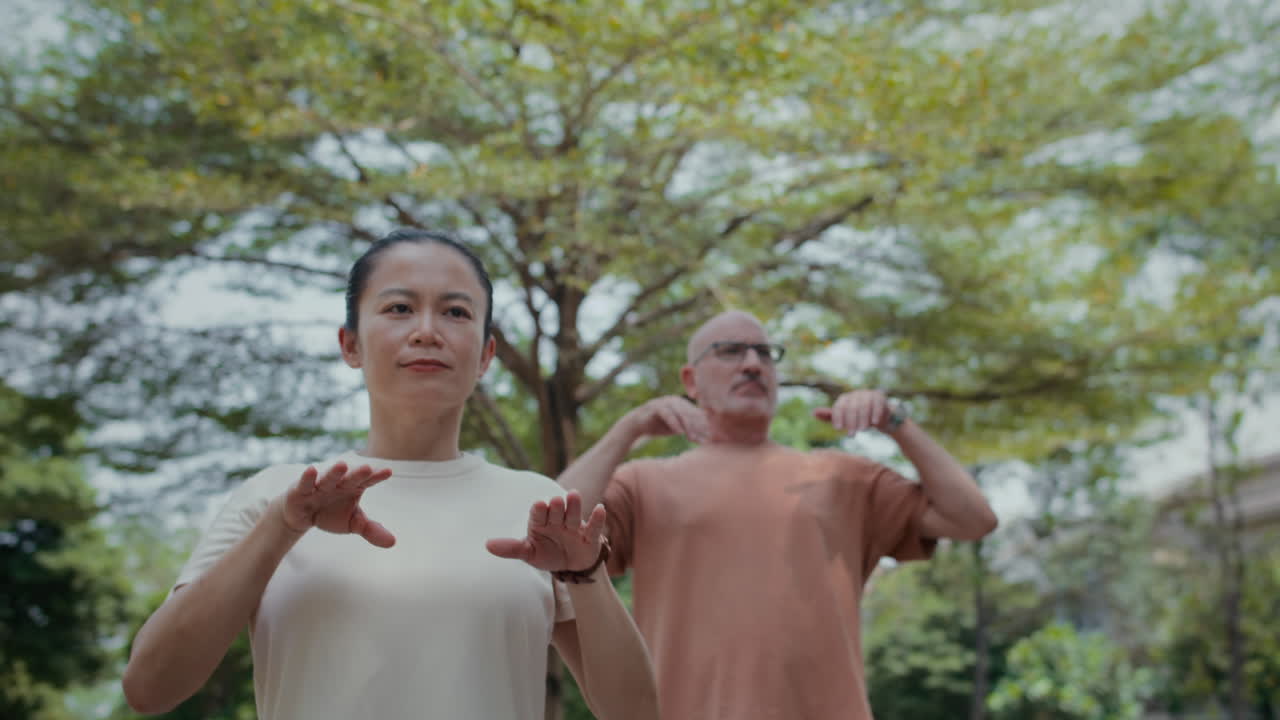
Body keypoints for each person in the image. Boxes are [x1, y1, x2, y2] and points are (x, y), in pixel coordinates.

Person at [122, 229, 659, 720]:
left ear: (486, 354)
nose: (427, 332)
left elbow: (636, 713)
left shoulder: (537, 505)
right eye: (399, 308)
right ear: (350, 344)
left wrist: (586, 573)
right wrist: (282, 526)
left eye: (456, 313)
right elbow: (150, 688)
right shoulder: (275, 495)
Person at [558, 310, 999, 720]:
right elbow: (552, 527)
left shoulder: (844, 476)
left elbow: (972, 519)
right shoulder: (642, 483)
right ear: (690, 380)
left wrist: (895, 420)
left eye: (766, 353)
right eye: (730, 351)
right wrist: (629, 427)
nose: (753, 363)